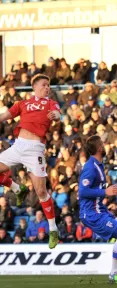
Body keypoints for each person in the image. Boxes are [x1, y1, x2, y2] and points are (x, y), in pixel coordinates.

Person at [0, 74, 60, 249]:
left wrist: (55, 115)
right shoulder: (23, 103)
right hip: (18, 145)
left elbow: (57, 113)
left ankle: (53, 229)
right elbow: (5, 115)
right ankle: (18, 188)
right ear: (34, 86)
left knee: (41, 191)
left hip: (35, 149)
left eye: (48, 85)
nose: (47, 88)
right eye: (44, 84)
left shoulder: (50, 103)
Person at [78, 135, 117, 284]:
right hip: (90, 213)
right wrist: (105, 192)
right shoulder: (90, 167)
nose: (106, 145)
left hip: (99, 210)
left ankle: (115, 274)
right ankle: (114, 275)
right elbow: (82, 191)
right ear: (100, 148)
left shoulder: (99, 165)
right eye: (103, 143)